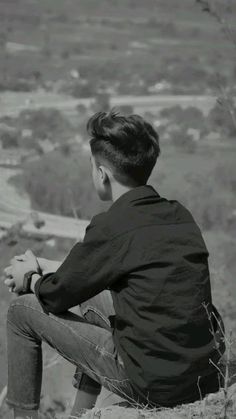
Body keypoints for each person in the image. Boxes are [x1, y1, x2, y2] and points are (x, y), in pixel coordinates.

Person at [3, 110, 226, 419]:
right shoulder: (178, 215)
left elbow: (57, 294)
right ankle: (81, 412)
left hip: (152, 385)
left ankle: (22, 417)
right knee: (93, 295)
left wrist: (28, 278)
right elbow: (88, 273)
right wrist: (41, 263)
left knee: (20, 312)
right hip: (199, 376)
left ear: (102, 173)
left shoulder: (112, 225)